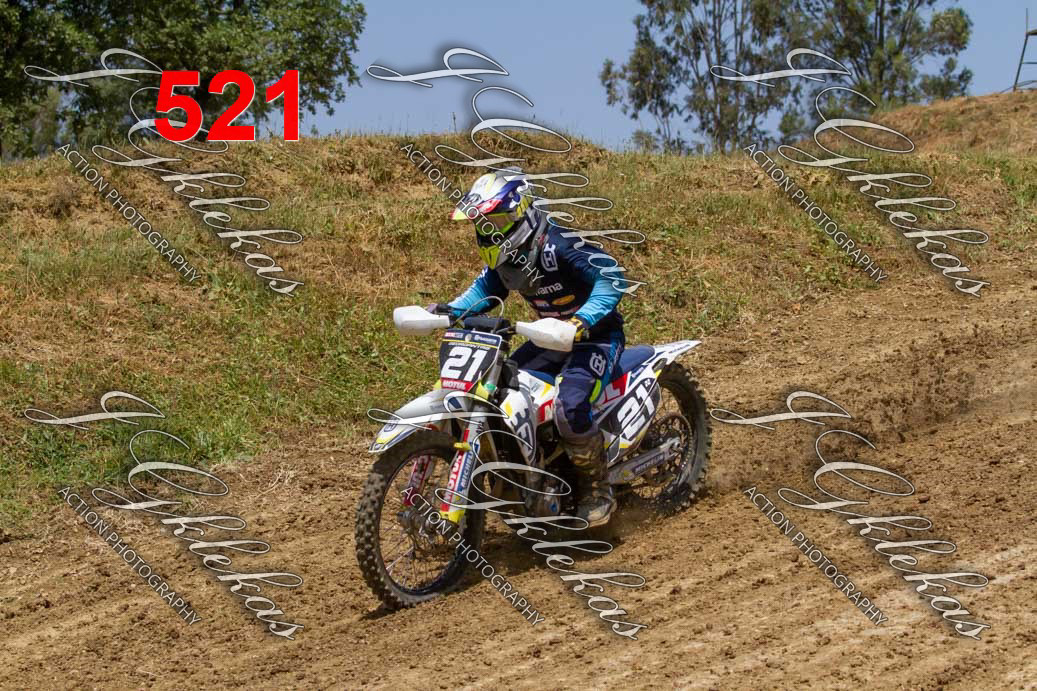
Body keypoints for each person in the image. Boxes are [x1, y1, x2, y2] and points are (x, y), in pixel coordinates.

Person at [431, 168, 626, 527]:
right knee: (501, 393)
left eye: (498, 220)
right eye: (484, 224)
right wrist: (448, 311)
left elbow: (611, 278)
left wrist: (580, 321)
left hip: (596, 338)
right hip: (547, 339)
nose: (491, 230)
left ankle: (597, 490)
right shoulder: (506, 261)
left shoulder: (559, 244)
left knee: (569, 406)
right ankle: (530, 473)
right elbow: (483, 292)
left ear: (522, 212)